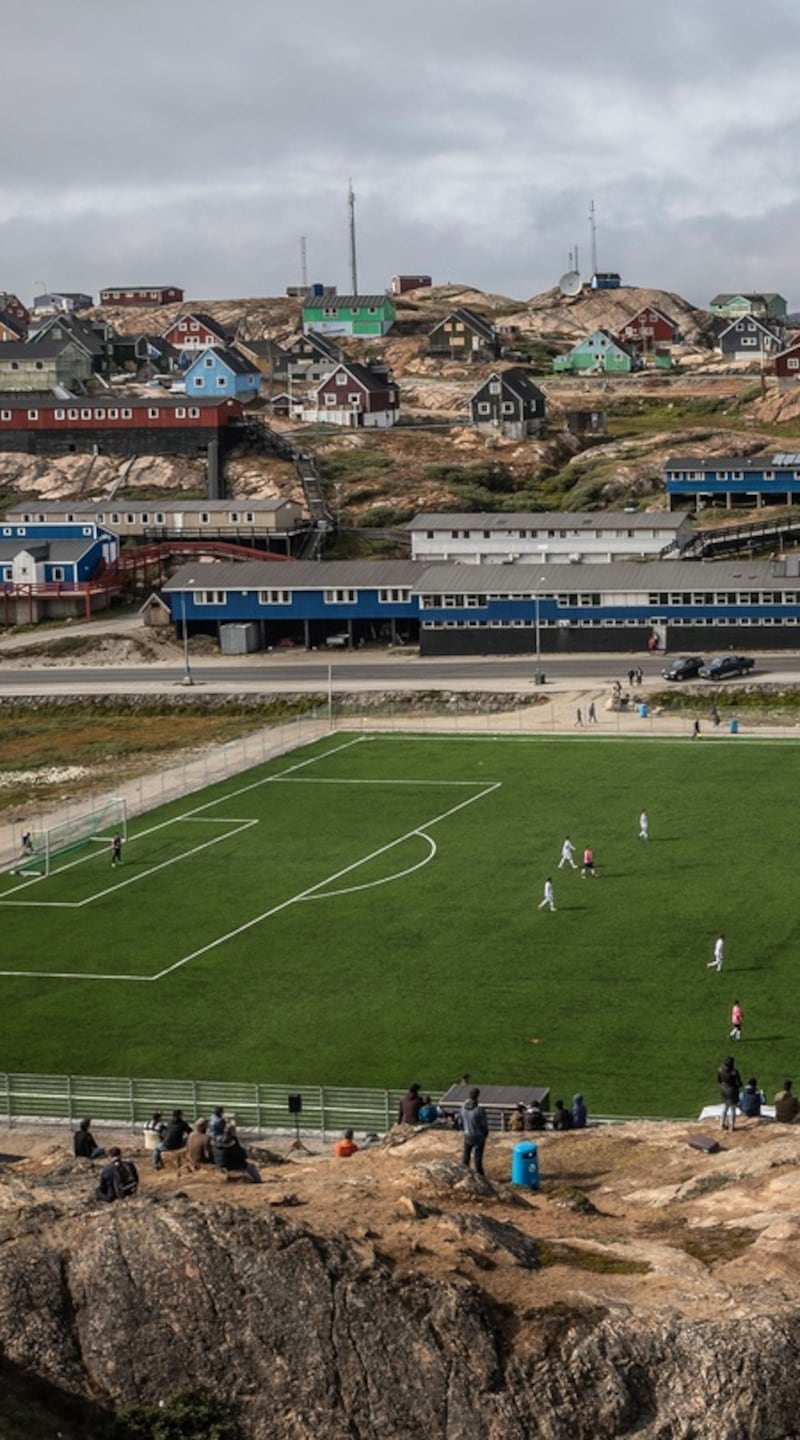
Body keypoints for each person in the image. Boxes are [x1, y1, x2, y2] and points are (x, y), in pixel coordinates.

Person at [460, 1087, 489, 1175]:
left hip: (467, 1134)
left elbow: (460, 1122)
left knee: (466, 1156)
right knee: (478, 1158)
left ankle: (464, 1173)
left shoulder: (462, 1109)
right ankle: (480, 1175)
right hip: (478, 1136)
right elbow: (484, 1125)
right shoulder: (479, 1110)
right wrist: (485, 1134)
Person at [717, 1056, 742, 1132]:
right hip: (732, 1091)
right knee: (732, 1108)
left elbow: (719, 1080)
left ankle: (721, 1125)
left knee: (725, 1107)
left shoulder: (720, 1069)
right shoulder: (734, 1072)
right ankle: (731, 1127)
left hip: (723, 1090)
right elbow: (738, 1083)